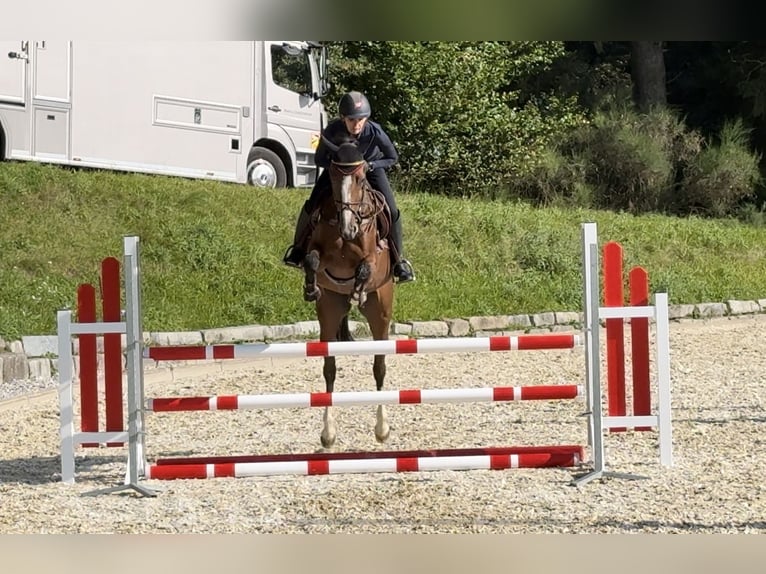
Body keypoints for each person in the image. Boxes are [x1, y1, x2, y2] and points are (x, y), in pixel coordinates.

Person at [282, 91, 415, 284]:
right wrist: (339, 170)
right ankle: (297, 250)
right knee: (312, 204)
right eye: (352, 119)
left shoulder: (375, 132)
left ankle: (398, 262)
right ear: (343, 118)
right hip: (339, 172)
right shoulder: (332, 131)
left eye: (361, 119)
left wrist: (371, 166)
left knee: (392, 211)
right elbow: (319, 159)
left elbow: (392, 157)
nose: (357, 124)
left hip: (370, 169)